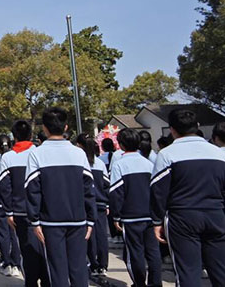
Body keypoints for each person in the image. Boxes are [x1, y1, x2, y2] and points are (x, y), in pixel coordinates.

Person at [150, 108, 225, 286]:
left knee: (188, 271)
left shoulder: (167, 154)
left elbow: (158, 191)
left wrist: (156, 221)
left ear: (172, 130)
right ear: (197, 126)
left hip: (182, 216)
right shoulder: (218, 154)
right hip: (216, 214)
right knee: (220, 270)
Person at [25, 107, 96, 287]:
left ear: (44, 129)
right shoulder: (78, 153)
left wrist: (34, 221)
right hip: (78, 220)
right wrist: (91, 219)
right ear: (66, 127)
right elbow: (89, 189)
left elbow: (32, 190)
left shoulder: (37, 153)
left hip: (50, 221)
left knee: (57, 270)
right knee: (79, 269)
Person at [0, 120, 49, 286]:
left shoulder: (8, 157)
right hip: (43, 211)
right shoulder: (41, 153)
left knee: (27, 251)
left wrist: (8, 212)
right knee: (46, 249)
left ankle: (31, 282)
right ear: (31, 134)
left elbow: (5, 187)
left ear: (14, 136)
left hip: (20, 211)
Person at [111, 128, 162, 287]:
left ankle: (139, 283)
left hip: (130, 216)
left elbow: (116, 193)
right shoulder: (149, 163)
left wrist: (116, 216)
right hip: (150, 215)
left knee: (135, 253)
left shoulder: (119, 165)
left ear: (120, 145)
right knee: (153, 252)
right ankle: (156, 283)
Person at [76, 133, 110, 278]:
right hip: (101, 203)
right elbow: (106, 184)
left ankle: (92, 263)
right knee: (101, 235)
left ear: (80, 145)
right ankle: (103, 265)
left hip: (85, 203)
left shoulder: (79, 162)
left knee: (88, 235)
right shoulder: (100, 163)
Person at [0, 134, 21, 277]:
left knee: (3, 234)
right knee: (14, 234)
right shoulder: (18, 158)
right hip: (15, 204)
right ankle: (16, 262)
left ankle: (6, 262)